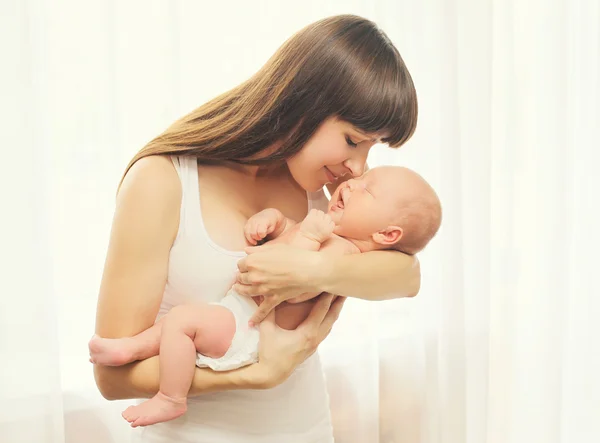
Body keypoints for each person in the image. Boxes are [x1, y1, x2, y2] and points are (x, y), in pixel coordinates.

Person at [92, 14, 420, 443]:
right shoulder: (164, 181)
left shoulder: (332, 192)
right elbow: (113, 380)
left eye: (372, 147)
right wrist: (259, 373)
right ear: (307, 103)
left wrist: (311, 273)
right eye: (354, 140)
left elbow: (406, 275)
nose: (359, 166)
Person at [89, 166, 441, 428]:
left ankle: (171, 396)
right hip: (238, 314)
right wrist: (275, 222)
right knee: (176, 321)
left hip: (251, 332)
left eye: (368, 190)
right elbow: (290, 233)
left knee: (182, 322)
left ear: (386, 233)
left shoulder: (346, 253)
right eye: (352, 141)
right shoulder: (329, 226)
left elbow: (301, 282)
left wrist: (308, 240)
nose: (353, 177)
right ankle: (133, 349)